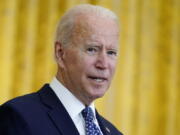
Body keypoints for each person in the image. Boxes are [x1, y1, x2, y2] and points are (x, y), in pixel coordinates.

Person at [0, 4, 123, 135]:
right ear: (60, 53)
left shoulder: (114, 133)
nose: (103, 64)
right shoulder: (19, 117)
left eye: (111, 52)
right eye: (91, 49)